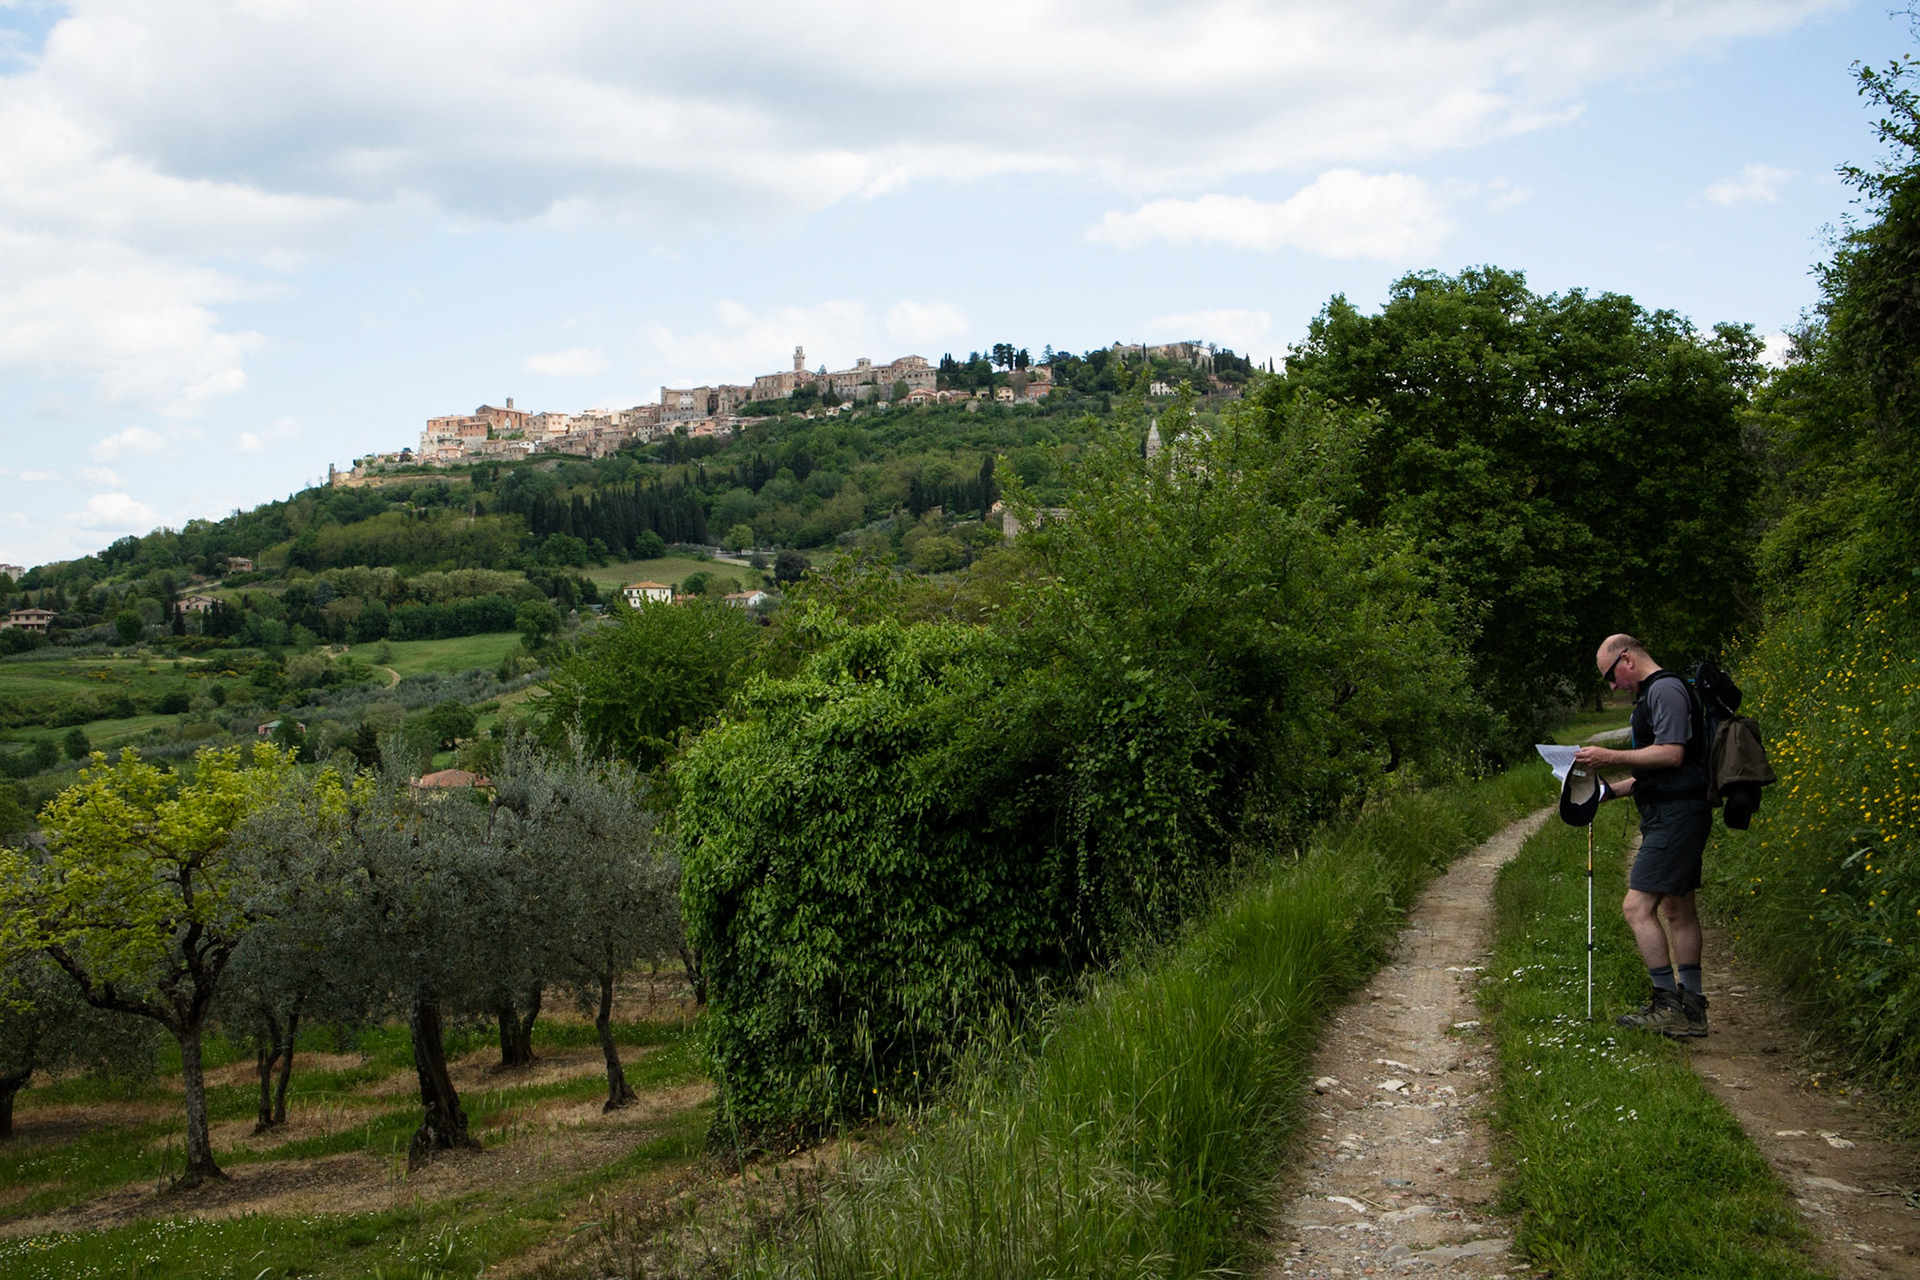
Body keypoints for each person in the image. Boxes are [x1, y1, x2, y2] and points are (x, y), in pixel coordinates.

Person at [1572, 634, 1711, 1037]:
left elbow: (1672, 754)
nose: (1613, 687)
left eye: (1610, 677)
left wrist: (1608, 757)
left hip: (1676, 816)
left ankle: (1667, 1003)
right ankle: (1692, 1008)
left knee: (1636, 908)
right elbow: (1663, 769)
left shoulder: (1665, 690)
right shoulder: (1660, 692)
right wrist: (1609, 791)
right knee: (1677, 909)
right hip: (1675, 809)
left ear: (1626, 659)